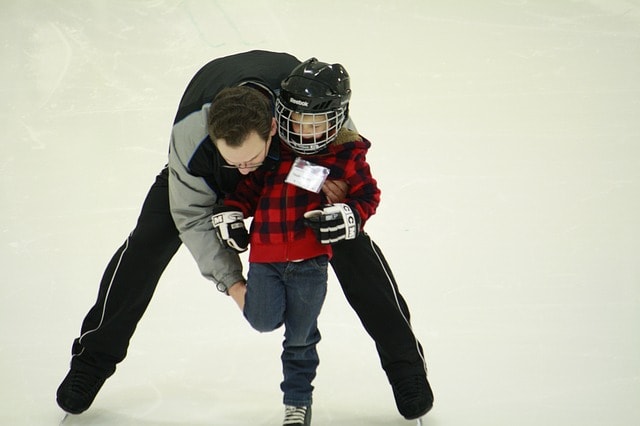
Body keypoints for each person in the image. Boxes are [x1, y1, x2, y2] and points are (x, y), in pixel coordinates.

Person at [56, 50, 433, 420]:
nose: (243, 168)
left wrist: (339, 195)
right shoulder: (192, 137)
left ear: (275, 126)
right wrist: (233, 282)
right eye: (234, 161)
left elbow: (347, 163)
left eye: (250, 159)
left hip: (287, 169)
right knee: (145, 247)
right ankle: (90, 362)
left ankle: (406, 368)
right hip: (207, 180)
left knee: (352, 247)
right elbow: (190, 215)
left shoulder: (306, 103)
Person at [209, 59, 381, 425]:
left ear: (335, 118)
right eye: (299, 119)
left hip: (310, 264)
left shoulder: (346, 153)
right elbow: (249, 189)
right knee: (261, 319)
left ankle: (297, 402)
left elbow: (368, 195)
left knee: (300, 339)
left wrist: (350, 214)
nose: (304, 130)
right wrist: (232, 211)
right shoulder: (274, 151)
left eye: (315, 122)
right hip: (265, 259)